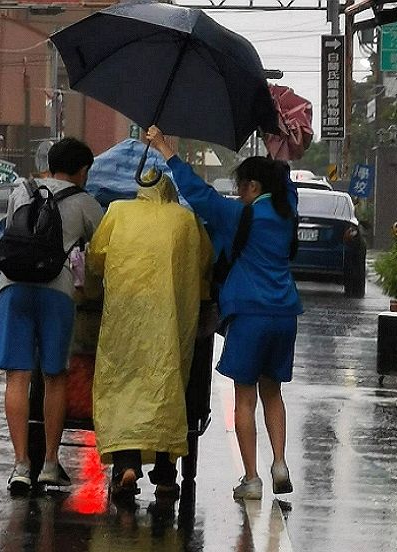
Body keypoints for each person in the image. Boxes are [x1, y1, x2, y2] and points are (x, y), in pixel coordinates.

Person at [146, 125, 303, 501]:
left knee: (244, 397)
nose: (237, 194)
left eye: (240, 187)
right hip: (285, 314)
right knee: (273, 392)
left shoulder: (240, 216)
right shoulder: (288, 214)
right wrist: (276, 148)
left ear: (251, 187)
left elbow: (198, 194)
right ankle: (279, 462)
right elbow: (288, 187)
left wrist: (167, 152)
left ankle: (251, 479)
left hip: (249, 314)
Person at [0, 137, 104, 494]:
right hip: (57, 291)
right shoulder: (85, 201)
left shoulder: (22, 189)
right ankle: (50, 464)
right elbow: (101, 248)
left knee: (17, 377)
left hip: (13, 286)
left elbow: (11, 232)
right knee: (55, 376)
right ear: (83, 171)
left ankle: (21, 465)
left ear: (50, 164)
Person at [86, 168, 212, 501]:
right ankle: (166, 474)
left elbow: (96, 258)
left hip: (124, 319)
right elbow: (204, 262)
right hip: (171, 318)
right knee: (166, 386)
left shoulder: (118, 212)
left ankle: (126, 464)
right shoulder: (185, 220)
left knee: (123, 385)